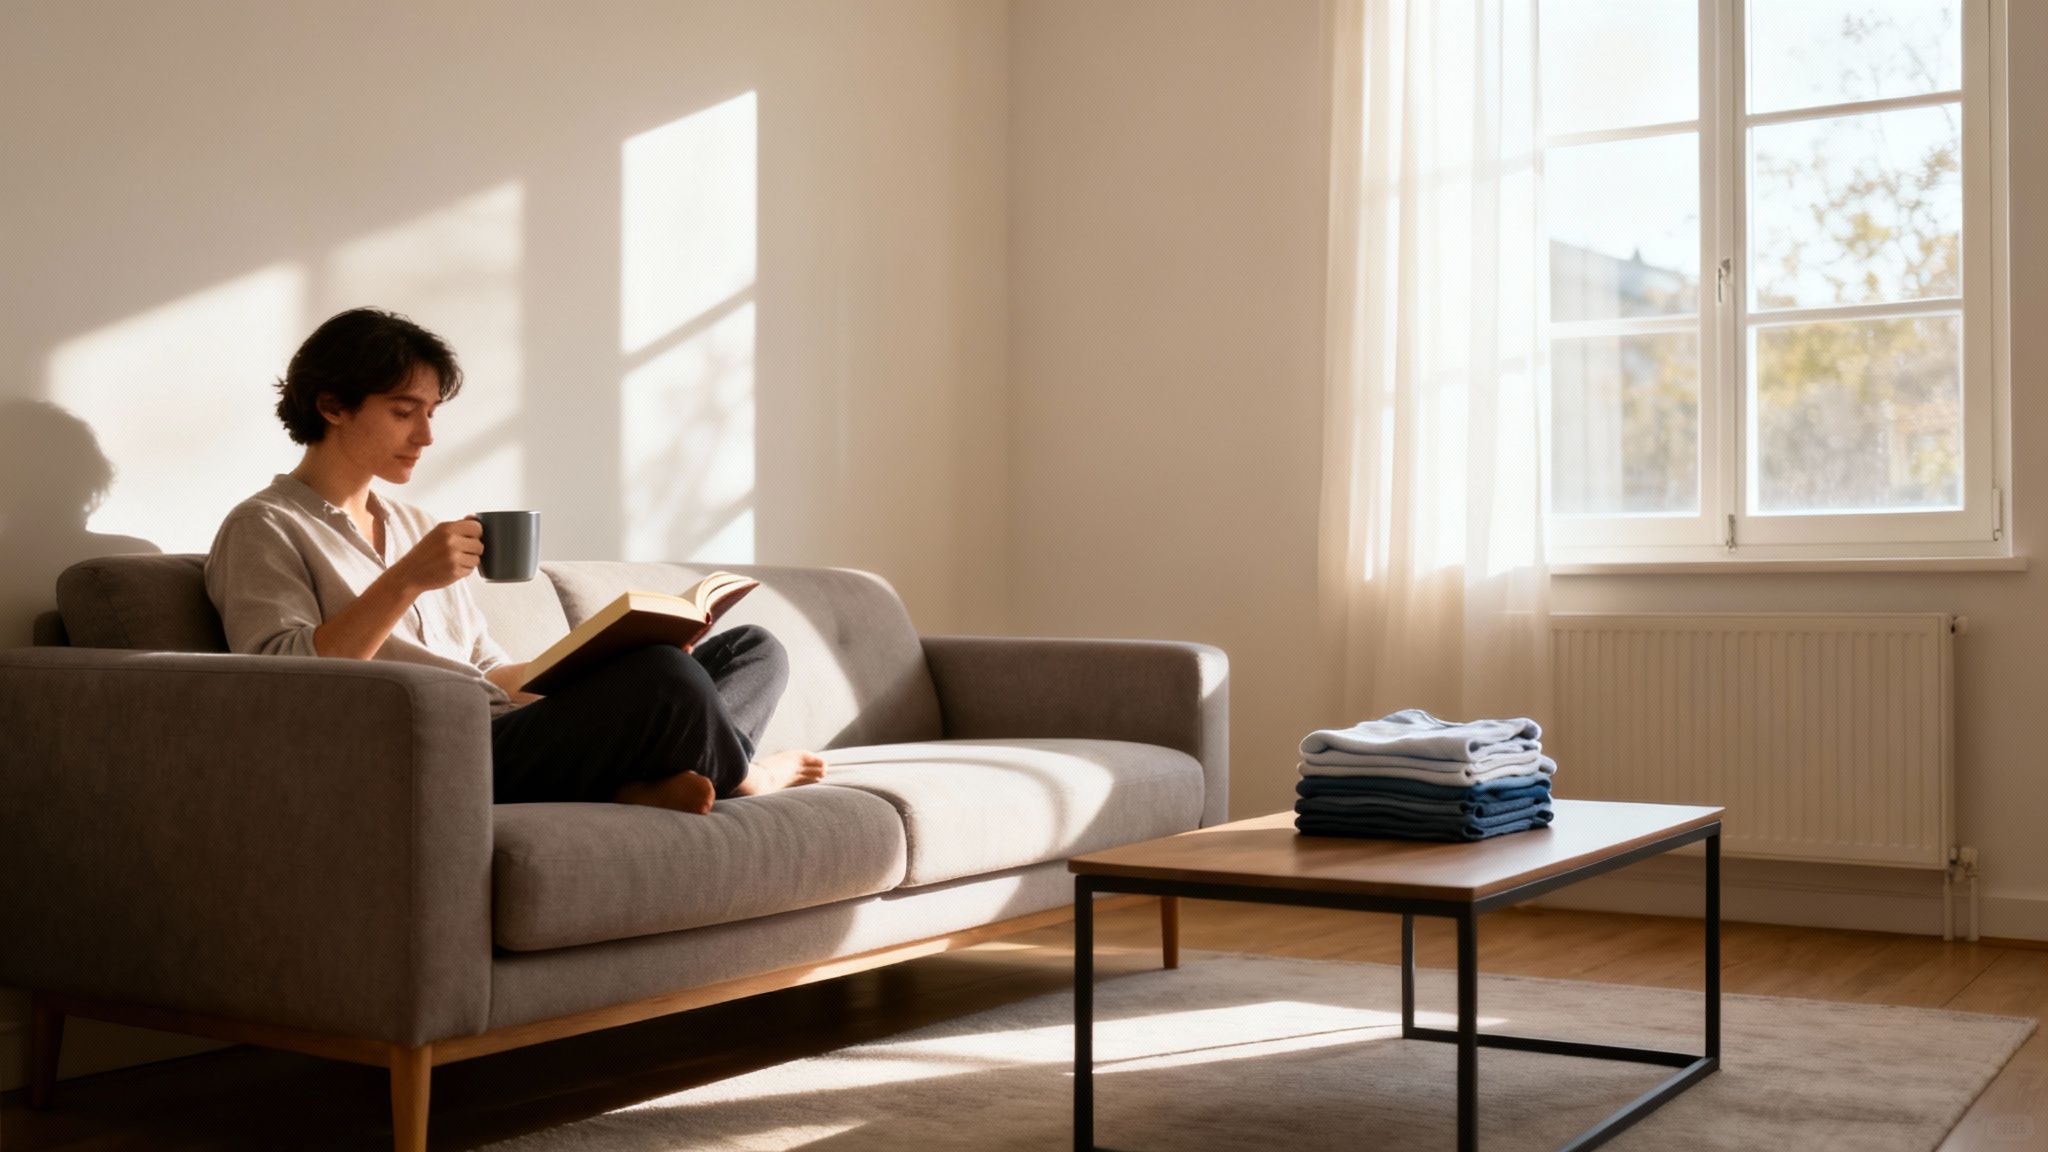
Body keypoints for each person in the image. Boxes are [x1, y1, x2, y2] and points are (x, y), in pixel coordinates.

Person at [203, 307, 824, 813]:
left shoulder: (416, 524)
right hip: (428, 750)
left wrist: (598, 660)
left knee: (751, 650)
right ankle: (744, 778)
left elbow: (490, 672)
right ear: (332, 405)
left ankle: (634, 783)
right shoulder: (263, 527)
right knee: (665, 680)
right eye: (402, 412)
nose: (426, 436)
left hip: (503, 726)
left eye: (431, 413)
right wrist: (407, 580)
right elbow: (282, 687)